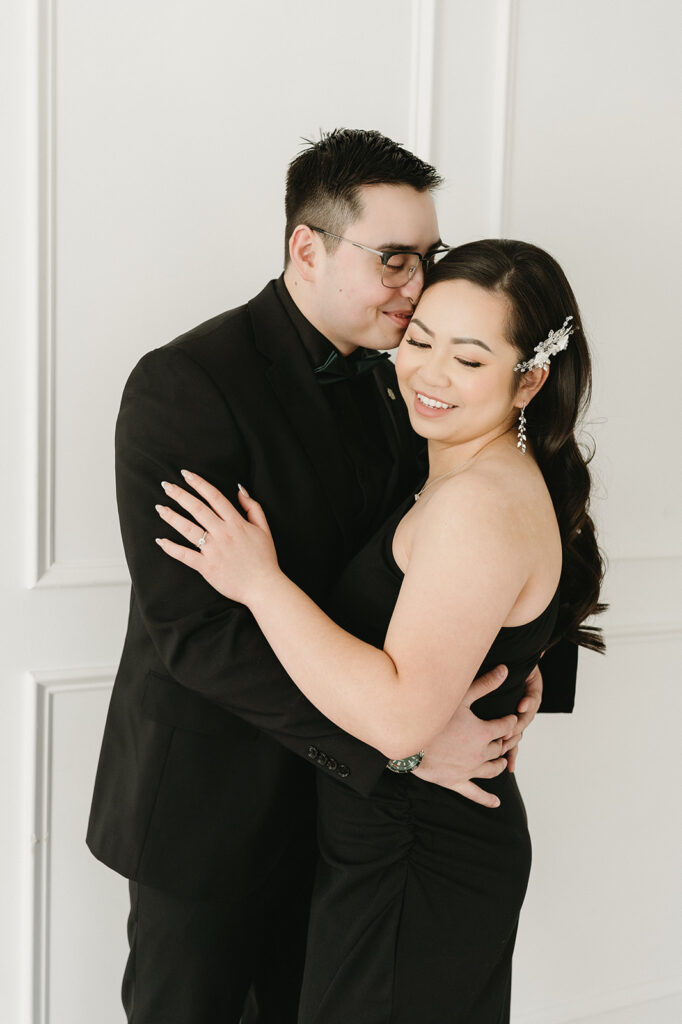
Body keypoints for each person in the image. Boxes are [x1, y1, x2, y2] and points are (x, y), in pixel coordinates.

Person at [87, 130, 576, 1023]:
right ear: (305, 248)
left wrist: (512, 674)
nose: (416, 283)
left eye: (426, 257)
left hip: (367, 833)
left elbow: (490, 538)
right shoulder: (184, 385)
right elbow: (197, 631)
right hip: (219, 814)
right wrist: (405, 746)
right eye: (393, 259)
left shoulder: (422, 372)